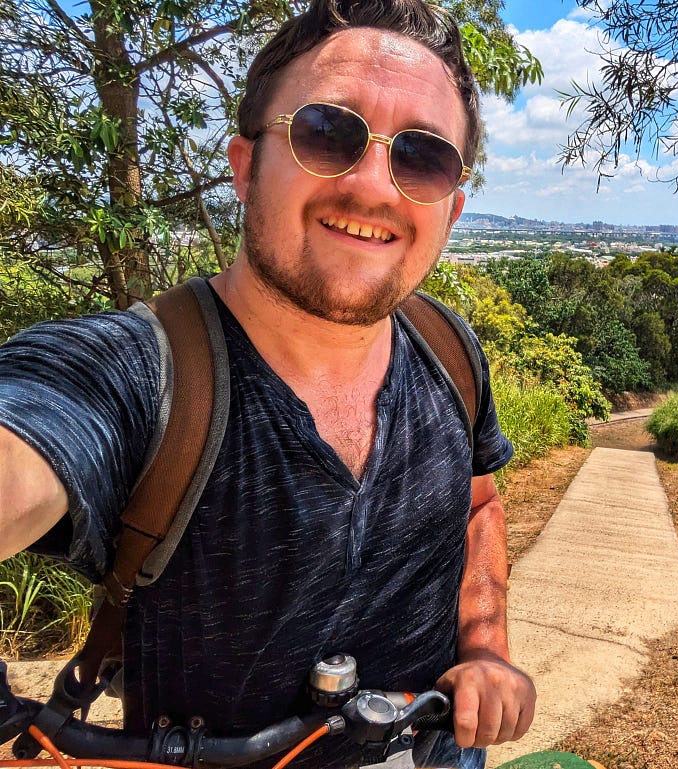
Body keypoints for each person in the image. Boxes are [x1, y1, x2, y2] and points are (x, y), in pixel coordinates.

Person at [0, 0, 536, 766]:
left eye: (421, 158)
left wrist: (487, 649)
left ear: (448, 209)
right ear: (245, 165)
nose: (376, 187)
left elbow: (478, 501)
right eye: (328, 134)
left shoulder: (450, 351)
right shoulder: (144, 374)